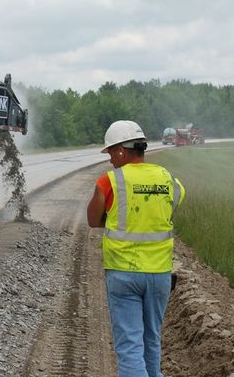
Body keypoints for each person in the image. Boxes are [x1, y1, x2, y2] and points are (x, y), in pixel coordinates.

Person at [86, 120, 185, 377]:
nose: (109, 159)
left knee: (130, 347)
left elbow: (93, 220)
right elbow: (172, 205)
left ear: (122, 150)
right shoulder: (168, 178)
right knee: (151, 340)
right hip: (159, 274)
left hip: (124, 273)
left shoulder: (110, 181)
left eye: (110, 152)